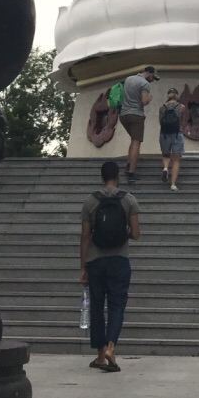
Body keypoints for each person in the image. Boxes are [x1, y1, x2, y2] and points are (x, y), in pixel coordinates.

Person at [80, 160, 141, 372]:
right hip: (119, 260)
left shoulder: (90, 201)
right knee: (117, 305)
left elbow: (85, 236)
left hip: (96, 260)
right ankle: (111, 348)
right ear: (118, 177)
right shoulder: (128, 200)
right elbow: (136, 233)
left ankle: (99, 355)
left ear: (102, 177)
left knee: (97, 306)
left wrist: (83, 266)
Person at [119, 65, 159, 183]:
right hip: (136, 114)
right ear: (149, 73)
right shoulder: (144, 84)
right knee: (137, 142)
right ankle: (131, 172)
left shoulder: (128, 79)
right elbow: (144, 101)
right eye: (153, 77)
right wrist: (150, 98)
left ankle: (128, 164)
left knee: (133, 140)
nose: (152, 80)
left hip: (123, 114)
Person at [159, 88, 187, 191]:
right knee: (176, 160)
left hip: (164, 134)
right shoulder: (181, 107)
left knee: (166, 155)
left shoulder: (162, 107)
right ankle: (173, 185)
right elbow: (183, 121)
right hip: (177, 134)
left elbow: (160, 121)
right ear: (177, 96)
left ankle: (165, 168)